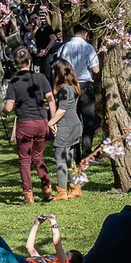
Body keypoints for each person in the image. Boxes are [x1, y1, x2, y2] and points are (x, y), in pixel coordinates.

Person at [5, 47, 54, 203]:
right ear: (29, 61)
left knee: (25, 159)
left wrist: (3, 112)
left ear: (15, 63)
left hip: (25, 123)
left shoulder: (14, 82)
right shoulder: (40, 78)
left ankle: (28, 194)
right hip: (41, 121)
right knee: (38, 156)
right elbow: (51, 99)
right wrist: (52, 121)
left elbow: (9, 107)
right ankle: (47, 188)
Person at [57, 25, 102, 157]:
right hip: (84, 84)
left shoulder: (63, 47)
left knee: (72, 118)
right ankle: (87, 151)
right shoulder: (88, 47)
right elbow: (96, 69)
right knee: (88, 119)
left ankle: (74, 151)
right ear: (85, 34)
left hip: (68, 85)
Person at [50, 59, 84, 199]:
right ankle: (76, 187)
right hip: (75, 125)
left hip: (66, 127)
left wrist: (50, 122)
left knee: (60, 159)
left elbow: (62, 110)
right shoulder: (73, 87)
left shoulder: (64, 89)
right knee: (70, 158)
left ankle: (61, 191)